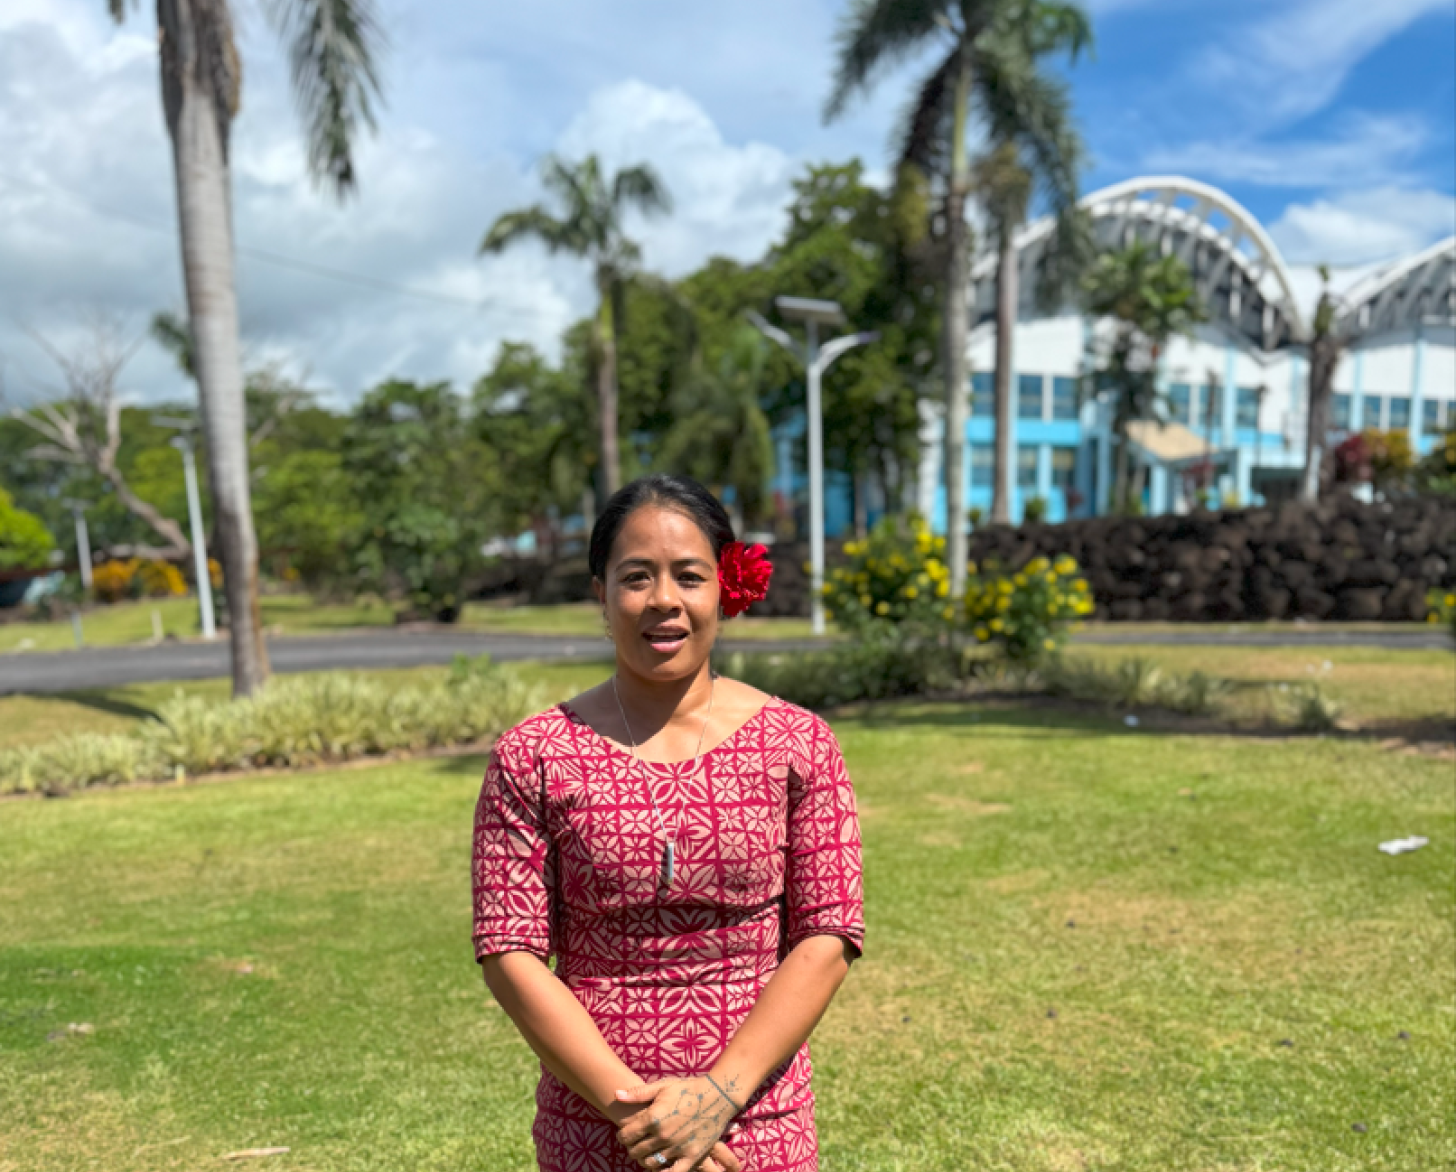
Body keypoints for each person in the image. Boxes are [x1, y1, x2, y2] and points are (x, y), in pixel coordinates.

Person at [472, 474, 865, 1172]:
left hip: (757, 1121)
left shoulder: (800, 744)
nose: (663, 601)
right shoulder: (534, 754)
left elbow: (828, 936)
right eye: (635, 577)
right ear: (600, 594)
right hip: (597, 1124)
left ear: (724, 587)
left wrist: (717, 1096)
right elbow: (511, 951)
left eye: (688, 575)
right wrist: (639, 1115)